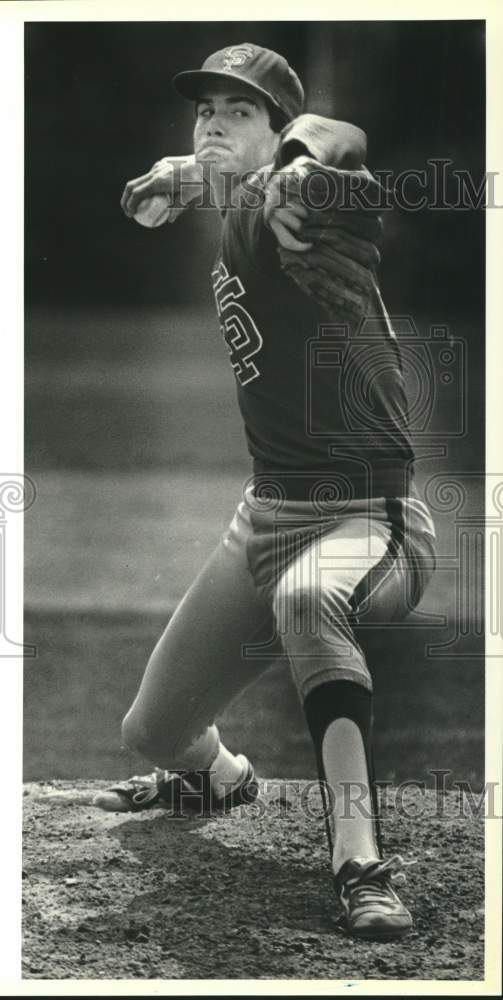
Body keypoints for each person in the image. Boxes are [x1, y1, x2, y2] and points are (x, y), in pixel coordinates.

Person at [93, 43, 437, 941]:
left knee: (309, 595)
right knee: (153, 733)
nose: (212, 120)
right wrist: (183, 173)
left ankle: (359, 863)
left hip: (374, 519)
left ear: (276, 131)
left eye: (239, 110)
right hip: (267, 518)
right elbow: (221, 179)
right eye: (203, 107)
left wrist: (298, 167)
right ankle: (220, 777)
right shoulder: (238, 198)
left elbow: (337, 137)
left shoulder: (306, 202)